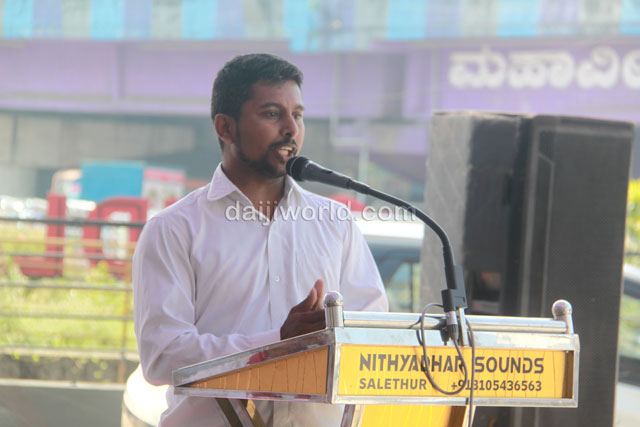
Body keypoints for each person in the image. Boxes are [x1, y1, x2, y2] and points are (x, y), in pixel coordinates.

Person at [133, 53, 388, 427]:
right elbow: (162, 356)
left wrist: (339, 335)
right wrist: (278, 342)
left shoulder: (336, 222)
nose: (291, 129)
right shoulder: (174, 229)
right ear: (226, 127)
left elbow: (373, 340)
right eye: (272, 114)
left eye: (297, 115)